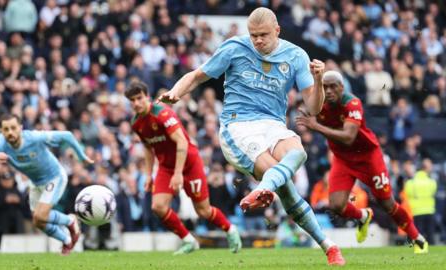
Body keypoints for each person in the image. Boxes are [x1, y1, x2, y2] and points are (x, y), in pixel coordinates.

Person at [158, 7, 344, 265]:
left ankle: (329, 246)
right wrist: (176, 92)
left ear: (277, 30)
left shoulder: (296, 55)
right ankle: (321, 238)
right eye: (253, 35)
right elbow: (198, 75)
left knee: (297, 152)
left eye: (263, 35)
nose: (257, 40)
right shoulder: (234, 48)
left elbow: (313, 108)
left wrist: (319, 79)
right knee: (282, 183)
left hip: (273, 124)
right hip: (238, 125)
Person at [295, 70, 429, 254]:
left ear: (342, 87)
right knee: (335, 205)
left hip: (368, 158)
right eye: (325, 87)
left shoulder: (352, 103)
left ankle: (416, 237)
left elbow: (349, 137)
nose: (329, 90)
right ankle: (363, 215)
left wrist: (316, 126)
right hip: (343, 160)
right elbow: (306, 107)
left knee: (387, 204)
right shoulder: (320, 104)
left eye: (333, 86)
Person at [126, 82, 242, 255]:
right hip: (166, 167)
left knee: (203, 211)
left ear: (147, 97)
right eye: (132, 100)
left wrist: (179, 173)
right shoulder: (136, 123)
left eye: (139, 98)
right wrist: (148, 174)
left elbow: (182, 142)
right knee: (158, 207)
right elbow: (148, 148)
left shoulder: (163, 114)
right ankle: (189, 241)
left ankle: (230, 230)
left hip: (189, 164)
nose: (136, 103)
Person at [0, 114, 93, 255]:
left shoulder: (34, 137)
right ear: (1, 131)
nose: (10, 132)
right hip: (35, 182)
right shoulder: (1, 144)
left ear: (21, 128)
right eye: (6, 129)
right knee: (38, 222)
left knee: (41, 215)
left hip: (54, 177)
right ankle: (66, 240)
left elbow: (67, 135)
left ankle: (70, 221)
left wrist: (81, 156)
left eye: (13, 128)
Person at [404, 158, 437, 244]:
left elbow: (407, 194)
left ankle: (420, 249)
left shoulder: (410, 183)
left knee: (418, 234)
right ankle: (432, 250)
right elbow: (434, 191)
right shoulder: (432, 182)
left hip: (416, 212)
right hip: (430, 210)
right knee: (430, 234)